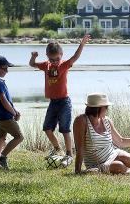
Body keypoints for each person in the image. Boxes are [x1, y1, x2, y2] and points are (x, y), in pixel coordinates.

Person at [29, 34, 90, 167]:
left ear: (61, 54)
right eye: (52, 59)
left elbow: (75, 57)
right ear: (47, 57)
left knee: (65, 129)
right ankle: (58, 149)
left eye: (57, 58)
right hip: (53, 102)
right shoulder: (46, 66)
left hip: (64, 102)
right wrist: (33, 57)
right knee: (47, 128)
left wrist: (82, 44)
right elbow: (32, 64)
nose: (55, 61)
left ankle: (69, 154)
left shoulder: (64, 65)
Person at [73, 93, 130, 174]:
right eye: (106, 107)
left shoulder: (106, 121)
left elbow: (121, 141)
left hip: (113, 153)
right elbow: (80, 148)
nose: (107, 110)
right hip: (97, 163)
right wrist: (77, 170)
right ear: (99, 108)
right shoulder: (81, 121)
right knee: (119, 166)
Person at [0, 55, 23, 170]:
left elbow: (7, 101)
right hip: (5, 117)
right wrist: (14, 113)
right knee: (19, 137)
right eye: (5, 68)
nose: (7, 71)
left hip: (0, 117)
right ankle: (2, 156)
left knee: (1, 138)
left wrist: (14, 110)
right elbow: (4, 101)